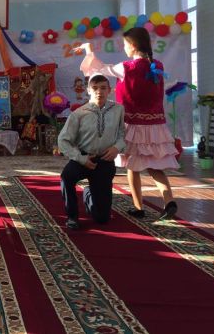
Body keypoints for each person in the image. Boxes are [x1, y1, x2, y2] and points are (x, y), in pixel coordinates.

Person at [79, 27, 179, 220]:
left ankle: (138, 207)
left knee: (132, 166)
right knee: (155, 167)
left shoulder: (126, 67)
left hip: (133, 124)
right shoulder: (157, 66)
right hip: (155, 126)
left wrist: (89, 50)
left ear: (132, 46)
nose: (124, 48)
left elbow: (99, 69)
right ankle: (169, 201)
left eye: (125, 44)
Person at [58, 75, 125, 229]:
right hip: (83, 158)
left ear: (109, 90)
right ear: (88, 90)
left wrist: (117, 148)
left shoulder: (118, 110)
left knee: (102, 219)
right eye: (95, 88)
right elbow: (63, 140)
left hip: (105, 160)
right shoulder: (79, 113)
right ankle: (72, 216)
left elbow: (123, 134)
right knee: (67, 177)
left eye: (103, 88)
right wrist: (80, 158)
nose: (99, 91)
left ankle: (88, 193)